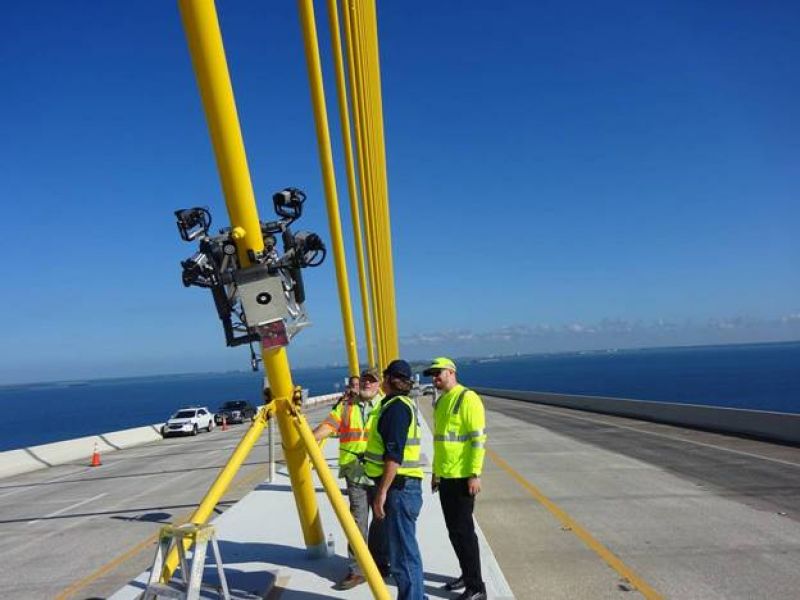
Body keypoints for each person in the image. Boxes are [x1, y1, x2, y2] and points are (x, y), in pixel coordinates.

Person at [313, 367, 389, 589]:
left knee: (381, 517)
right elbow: (329, 425)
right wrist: (308, 439)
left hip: (379, 470)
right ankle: (357, 569)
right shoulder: (346, 406)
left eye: (372, 381)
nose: (367, 384)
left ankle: (378, 562)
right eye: (364, 380)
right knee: (357, 520)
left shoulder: (386, 406)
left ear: (378, 384)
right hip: (354, 470)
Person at [425, 357, 487, 600]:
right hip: (446, 478)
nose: (434, 378)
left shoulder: (467, 398)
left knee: (465, 532)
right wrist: (435, 473)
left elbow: (477, 440)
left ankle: (476, 587)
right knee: (454, 532)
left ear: (451, 372)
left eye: (438, 373)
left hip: (463, 478)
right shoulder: (441, 402)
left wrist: (474, 474)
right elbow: (440, 444)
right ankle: (467, 574)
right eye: (433, 374)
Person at [365, 359, 425, 600]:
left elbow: (394, 455)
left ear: (389, 379)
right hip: (402, 488)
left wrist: (381, 493)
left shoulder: (396, 408)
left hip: (399, 489)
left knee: (403, 555)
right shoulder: (397, 405)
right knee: (402, 552)